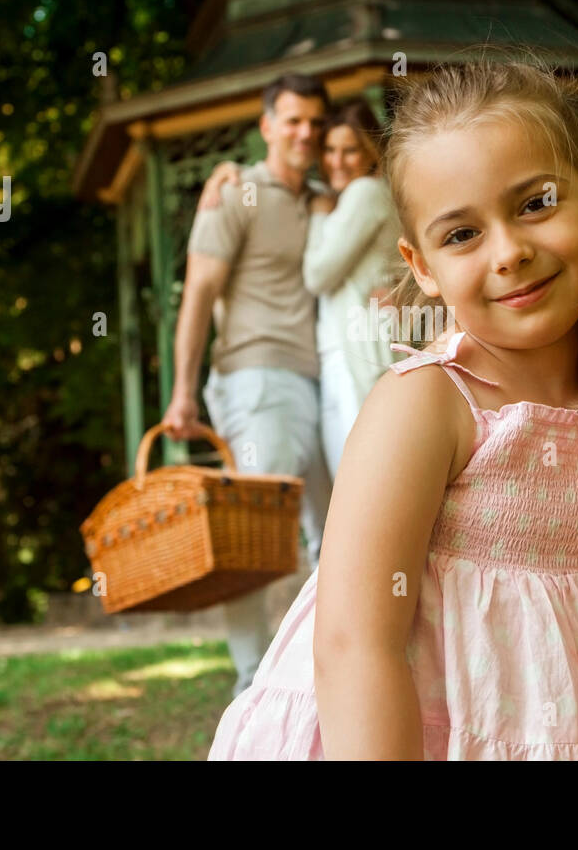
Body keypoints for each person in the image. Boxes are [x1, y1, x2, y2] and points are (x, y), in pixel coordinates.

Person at [208, 58, 578, 760]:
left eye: (537, 203)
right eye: (462, 235)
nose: (510, 252)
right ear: (422, 266)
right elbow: (356, 643)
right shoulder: (427, 402)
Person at [161, 73, 335, 699]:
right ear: (266, 126)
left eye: (315, 122)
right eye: (292, 120)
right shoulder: (234, 193)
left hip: (321, 379)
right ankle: (250, 688)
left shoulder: (319, 200)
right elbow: (198, 295)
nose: (306, 132)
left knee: (335, 531)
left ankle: (323, 680)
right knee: (253, 536)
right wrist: (183, 392)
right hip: (257, 377)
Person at [197, 100, 402, 478]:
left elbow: (318, 274)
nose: (337, 161)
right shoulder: (340, 198)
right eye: (329, 150)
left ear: (371, 151)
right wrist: (226, 172)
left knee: (364, 475)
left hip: (360, 350)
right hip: (338, 355)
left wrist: (321, 214)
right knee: (351, 476)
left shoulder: (365, 194)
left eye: (350, 150)